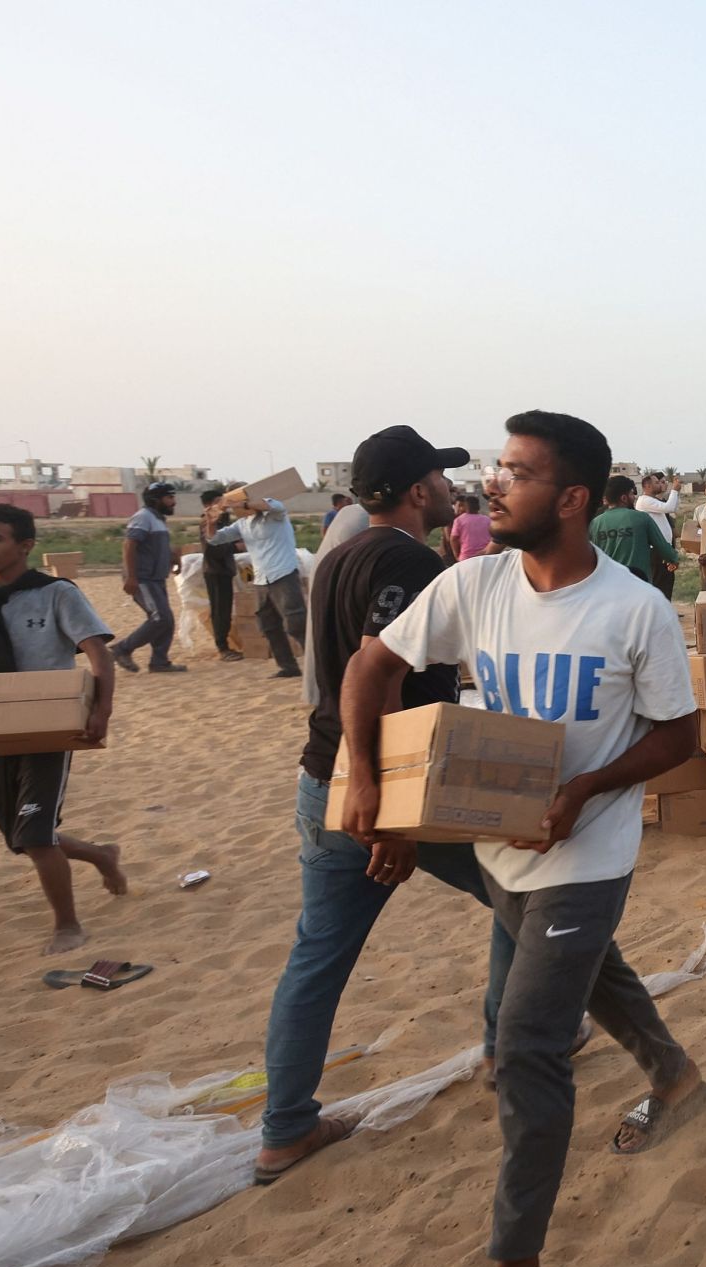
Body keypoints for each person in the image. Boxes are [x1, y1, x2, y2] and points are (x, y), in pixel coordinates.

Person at [340, 409, 706, 1267]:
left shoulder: (635, 610)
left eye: (518, 473)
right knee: (588, 971)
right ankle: (675, 1076)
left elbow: (679, 736)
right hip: (502, 851)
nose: (493, 486)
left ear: (573, 498)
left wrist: (586, 790)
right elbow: (370, 667)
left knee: (528, 1043)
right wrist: (373, 787)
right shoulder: (473, 584)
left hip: (588, 854)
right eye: (497, 470)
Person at [255, 425, 532, 1188]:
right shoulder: (407, 562)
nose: (449, 489)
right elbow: (372, 677)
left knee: (317, 956)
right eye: (439, 479)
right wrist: (387, 812)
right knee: (520, 891)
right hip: (389, 782)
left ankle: (284, 1129)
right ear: (417, 490)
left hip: (323, 775)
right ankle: (505, 1052)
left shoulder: (340, 555)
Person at [0, 504, 124, 954]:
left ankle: (67, 925)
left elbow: (97, 652)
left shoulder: (55, 593)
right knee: (20, 837)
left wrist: (101, 710)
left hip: (46, 726)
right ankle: (101, 854)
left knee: (35, 835)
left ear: (25, 545)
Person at [211, 486, 307, 678]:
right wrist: (210, 520)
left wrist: (241, 503)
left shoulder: (273, 511)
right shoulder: (242, 524)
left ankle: (318, 662)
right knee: (268, 625)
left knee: (296, 623)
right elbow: (215, 539)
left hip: (283, 573)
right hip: (262, 579)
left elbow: (270, 506)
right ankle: (288, 667)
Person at [109, 479, 185, 674]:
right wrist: (131, 577)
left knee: (167, 620)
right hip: (143, 578)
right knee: (160, 618)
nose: (173, 502)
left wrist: (173, 557)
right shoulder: (143, 517)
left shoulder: (158, 519)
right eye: (169, 498)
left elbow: (156, 546)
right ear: (156, 499)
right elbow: (129, 545)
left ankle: (159, 662)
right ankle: (122, 649)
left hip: (156, 578)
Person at [589, 475, 679, 585]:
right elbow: (662, 546)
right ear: (624, 498)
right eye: (632, 494)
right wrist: (673, 559)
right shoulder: (642, 518)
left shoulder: (595, 524)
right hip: (638, 585)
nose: (634, 497)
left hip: (608, 585)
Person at [197, 487, 244, 661]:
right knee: (220, 611)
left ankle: (225, 646)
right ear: (209, 505)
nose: (223, 505)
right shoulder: (208, 522)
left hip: (223, 570)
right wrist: (235, 547)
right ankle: (223, 648)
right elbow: (212, 550)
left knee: (224, 610)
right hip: (216, 571)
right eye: (219, 502)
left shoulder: (221, 521)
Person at [448, 494, 495, 562]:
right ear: (478, 506)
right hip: (486, 557)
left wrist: (456, 555)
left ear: (466, 506)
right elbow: (494, 537)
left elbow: (453, 539)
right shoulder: (487, 520)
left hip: (466, 557)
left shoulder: (459, 520)